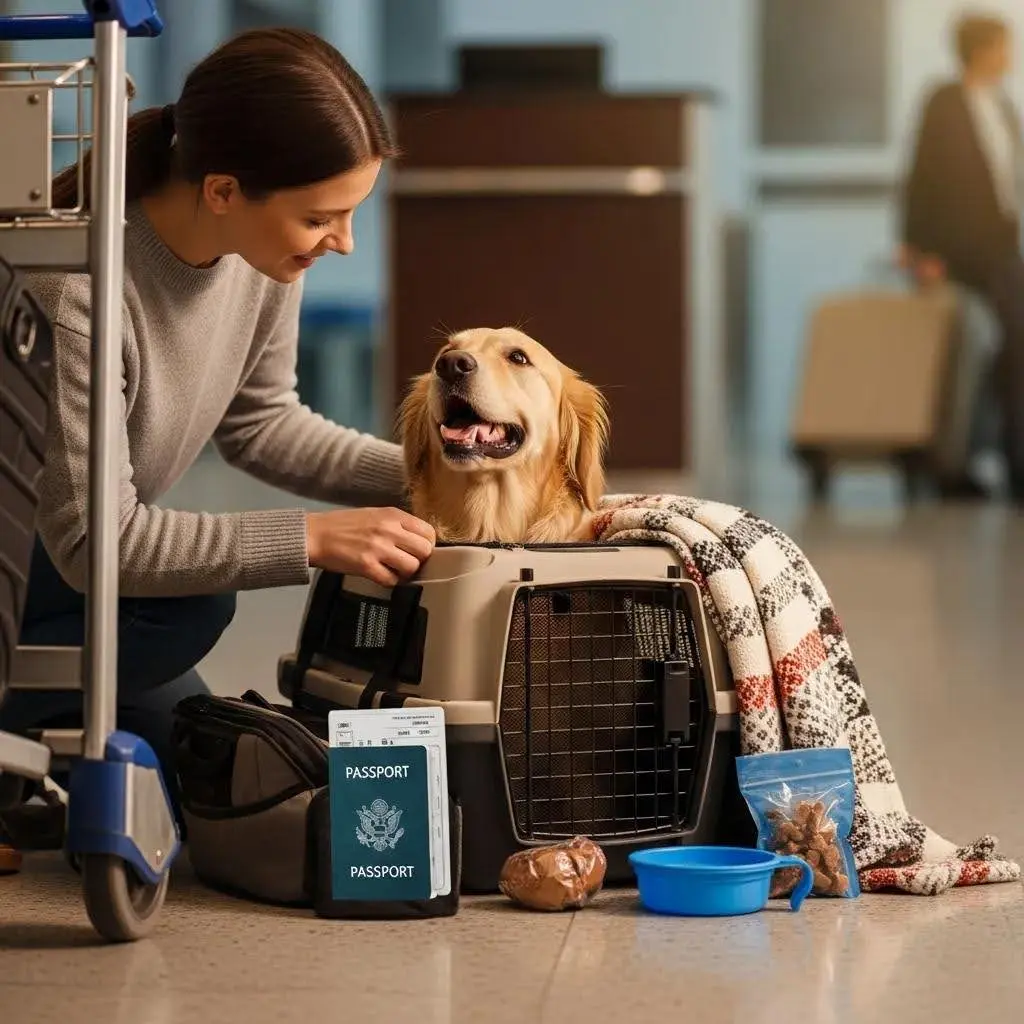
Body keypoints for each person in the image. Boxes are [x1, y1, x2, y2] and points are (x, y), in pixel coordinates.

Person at [0, 28, 436, 857]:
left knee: (204, 769)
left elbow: (263, 423)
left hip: (56, 581)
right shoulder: (78, 294)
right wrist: (309, 540)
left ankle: (26, 753)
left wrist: (443, 479)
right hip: (25, 577)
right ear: (226, 189)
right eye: (321, 217)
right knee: (194, 601)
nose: (340, 242)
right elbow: (98, 541)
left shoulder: (261, 260)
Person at [900, 12, 1023, 501]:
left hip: (1000, 245)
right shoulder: (944, 102)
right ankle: (949, 469)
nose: (1010, 55)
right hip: (953, 251)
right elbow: (921, 174)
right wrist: (917, 248)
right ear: (980, 49)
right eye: (1003, 46)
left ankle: (1014, 464)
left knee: (1014, 347)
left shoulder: (1005, 106)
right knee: (958, 359)